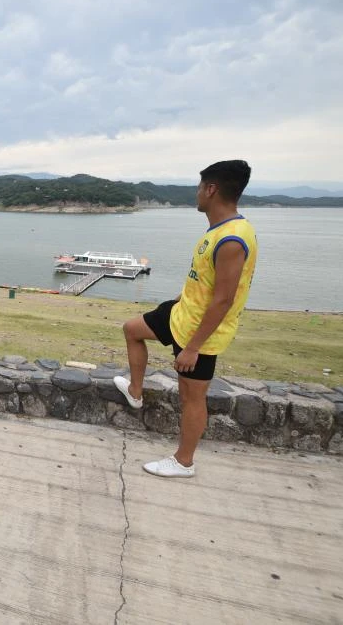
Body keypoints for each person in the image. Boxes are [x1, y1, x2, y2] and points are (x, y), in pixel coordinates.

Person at [113, 160, 258, 478]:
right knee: (132, 329)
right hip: (182, 312)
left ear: (211, 189)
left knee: (191, 398)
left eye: (198, 188)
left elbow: (223, 300)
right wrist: (179, 300)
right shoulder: (220, 229)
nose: (196, 194)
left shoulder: (232, 239)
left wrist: (193, 347)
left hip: (199, 332)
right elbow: (208, 283)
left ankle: (183, 462)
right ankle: (136, 391)